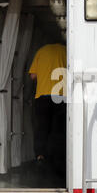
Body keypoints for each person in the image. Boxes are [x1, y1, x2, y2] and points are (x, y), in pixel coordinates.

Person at [29, 41, 67, 176]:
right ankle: (58, 159)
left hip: (42, 96)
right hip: (61, 96)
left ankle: (40, 156)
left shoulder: (41, 50)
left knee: (42, 127)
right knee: (59, 129)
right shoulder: (67, 51)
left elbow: (33, 75)